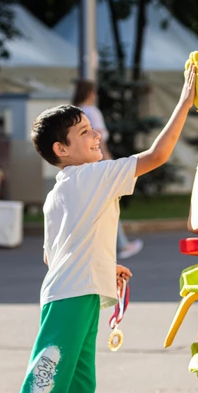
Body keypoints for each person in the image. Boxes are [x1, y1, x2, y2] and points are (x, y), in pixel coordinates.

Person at [0, 63, 197, 393]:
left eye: (92, 128)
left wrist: (104, 264)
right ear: (62, 149)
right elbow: (155, 157)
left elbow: (53, 253)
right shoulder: (91, 177)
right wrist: (186, 100)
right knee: (50, 379)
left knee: (79, 388)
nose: (95, 135)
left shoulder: (64, 188)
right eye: (84, 132)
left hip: (76, 289)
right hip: (72, 297)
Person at [72, 80, 144, 260]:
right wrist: (106, 157)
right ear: (90, 94)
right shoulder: (91, 112)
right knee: (108, 201)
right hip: (96, 162)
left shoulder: (73, 112)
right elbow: (98, 137)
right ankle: (121, 243)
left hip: (80, 165)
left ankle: (101, 244)